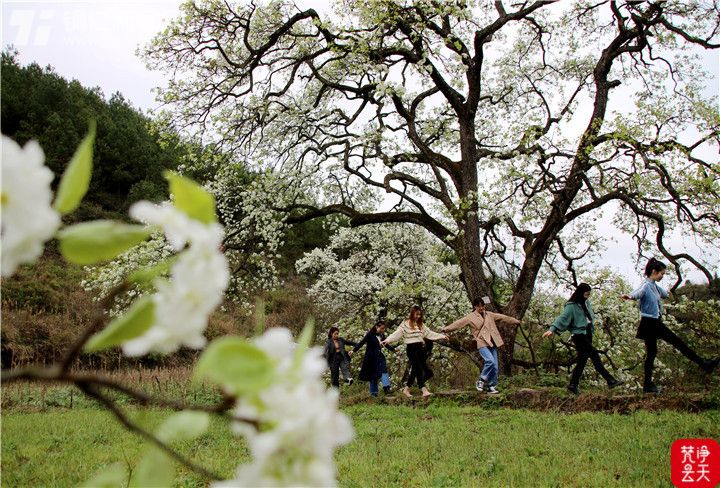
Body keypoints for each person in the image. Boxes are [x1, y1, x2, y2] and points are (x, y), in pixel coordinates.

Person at [621, 257, 719, 393]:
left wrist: (665, 292)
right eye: (661, 273)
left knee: (652, 353)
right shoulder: (646, 285)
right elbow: (638, 293)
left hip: (654, 322)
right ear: (654, 271)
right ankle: (704, 364)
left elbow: (665, 294)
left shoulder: (654, 286)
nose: (662, 276)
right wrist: (629, 296)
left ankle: (648, 385)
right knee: (676, 343)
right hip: (650, 323)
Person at [542, 283, 622, 395]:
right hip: (579, 335)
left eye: (589, 294)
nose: (587, 296)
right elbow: (563, 318)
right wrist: (552, 329)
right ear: (580, 293)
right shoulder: (571, 306)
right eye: (586, 294)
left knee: (582, 361)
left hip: (588, 334)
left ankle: (573, 384)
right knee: (594, 355)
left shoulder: (586, 303)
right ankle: (610, 380)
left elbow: (589, 318)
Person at [442, 297, 520, 394]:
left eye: (483, 306)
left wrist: (515, 321)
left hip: (492, 342)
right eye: (479, 306)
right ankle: (481, 380)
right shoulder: (470, 317)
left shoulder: (489, 315)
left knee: (495, 366)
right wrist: (446, 329)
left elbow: (503, 317)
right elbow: (458, 323)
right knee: (490, 361)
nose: (481, 308)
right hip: (481, 341)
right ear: (475, 306)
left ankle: (492, 386)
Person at [382, 305, 447, 397]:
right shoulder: (405, 324)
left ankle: (406, 389)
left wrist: (441, 336)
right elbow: (397, 333)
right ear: (412, 313)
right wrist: (388, 340)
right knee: (418, 368)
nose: (418, 316)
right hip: (411, 349)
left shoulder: (420, 325)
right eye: (417, 314)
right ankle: (423, 389)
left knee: (415, 370)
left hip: (420, 348)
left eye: (420, 315)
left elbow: (429, 333)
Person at [349, 320, 396, 397]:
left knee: (384, 370)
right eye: (381, 328)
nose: (383, 330)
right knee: (373, 375)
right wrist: (353, 350)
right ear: (376, 327)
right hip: (371, 358)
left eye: (384, 329)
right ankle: (374, 393)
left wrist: (393, 350)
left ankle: (386, 388)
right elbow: (361, 342)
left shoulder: (381, 335)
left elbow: (386, 344)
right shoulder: (370, 334)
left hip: (379, 356)